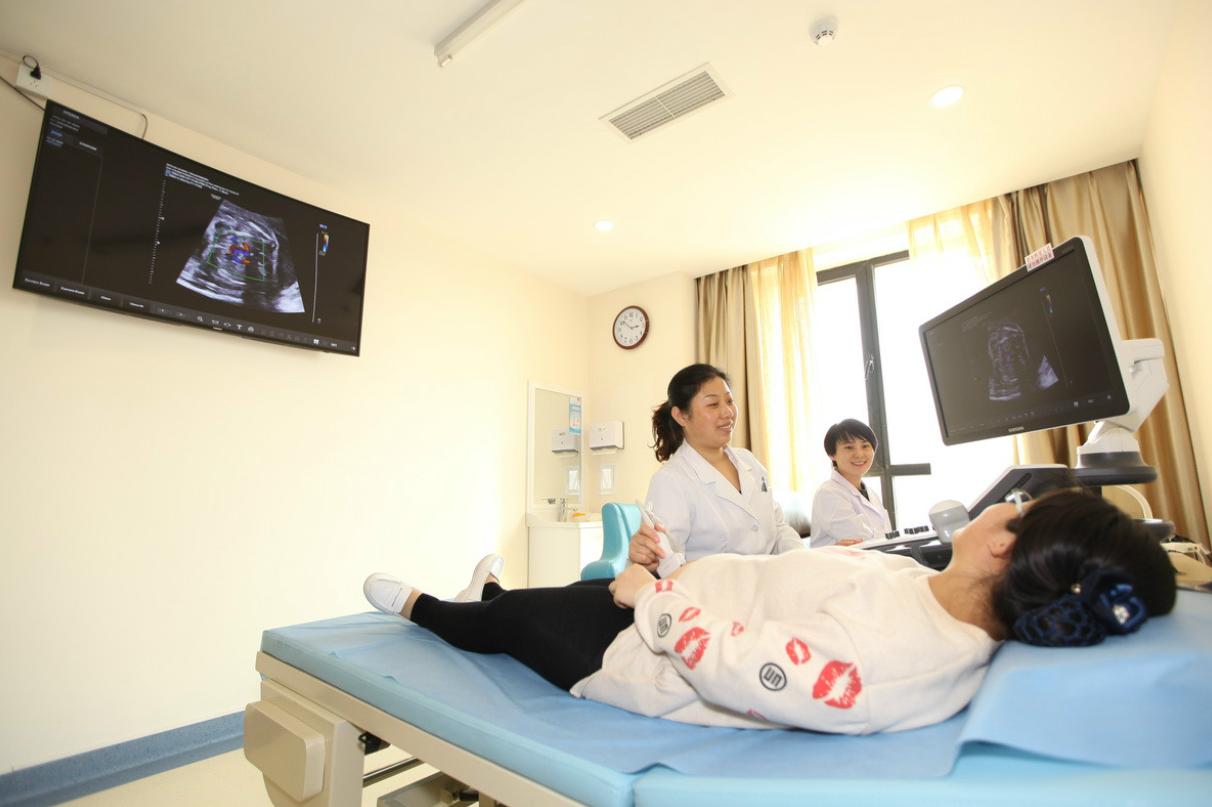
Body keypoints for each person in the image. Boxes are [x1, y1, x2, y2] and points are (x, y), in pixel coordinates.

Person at [363, 490, 1176, 734]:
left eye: (1019, 509)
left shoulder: (899, 656)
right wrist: (667, 577)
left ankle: (431, 606)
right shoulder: (927, 590)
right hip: (676, 596)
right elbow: (781, 585)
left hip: (644, 656)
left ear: (1006, 547)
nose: (1005, 503)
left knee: (509, 626)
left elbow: (743, 667)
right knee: (554, 595)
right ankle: (491, 589)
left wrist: (651, 598)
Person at [628, 364, 803, 574]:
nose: (728, 412)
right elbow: (669, 565)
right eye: (713, 404)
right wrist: (650, 562)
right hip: (715, 589)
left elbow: (778, 527)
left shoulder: (748, 461)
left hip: (773, 580)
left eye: (729, 401)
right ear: (681, 416)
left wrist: (804, 560)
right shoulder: (671, 481)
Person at [809, 418, 892, 548]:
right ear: (831, 454)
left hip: (875, 557)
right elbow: (861, 540)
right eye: (849, 447)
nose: (859, 454)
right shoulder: (828, 493)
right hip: (844, 560)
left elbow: (887, 536)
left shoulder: (870, 493)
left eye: (865, 446)